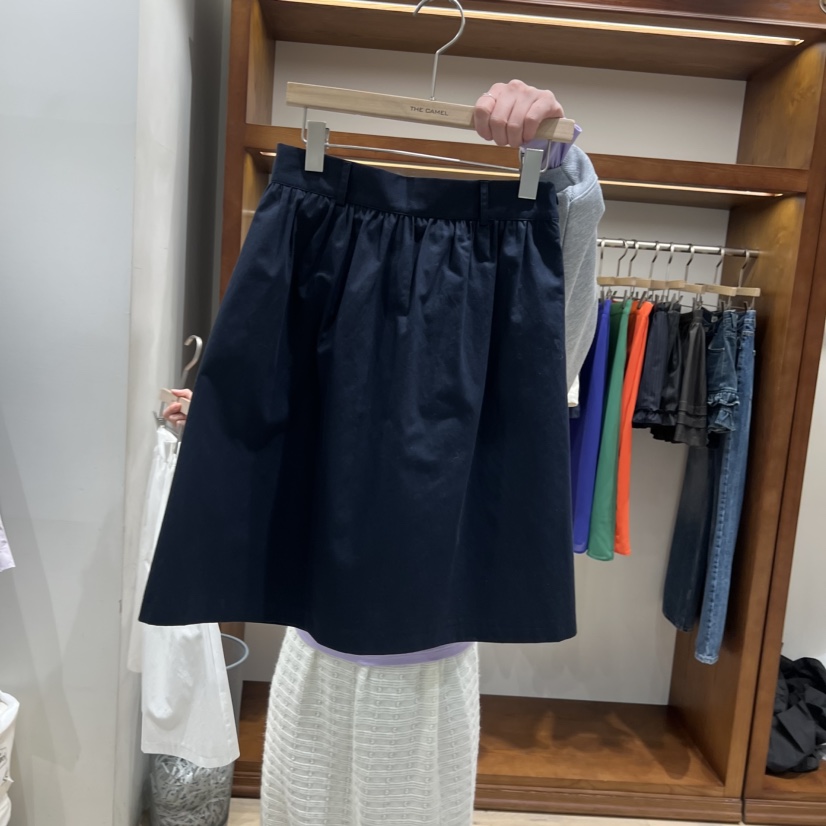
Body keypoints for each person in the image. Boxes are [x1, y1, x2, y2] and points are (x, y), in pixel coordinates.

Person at [159, 80, 600, 826]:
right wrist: (221, 423)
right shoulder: (317, 238)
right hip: (314, 646)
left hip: (429, 671)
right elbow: (310, 401)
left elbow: (559, 338)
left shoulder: (510, 275)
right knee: (297, 808)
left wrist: (561, 164)